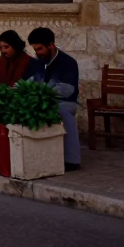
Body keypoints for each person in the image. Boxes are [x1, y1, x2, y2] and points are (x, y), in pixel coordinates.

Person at [28, 27, 82, 171]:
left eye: (40, 49)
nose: (37, 53)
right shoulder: (38, 61)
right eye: (35, 49)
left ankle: (72, 160)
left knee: (62, 110)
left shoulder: (68, 62)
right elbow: (32, 80)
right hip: (43, 99)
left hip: (65, 101)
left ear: (50, 45)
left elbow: (66, 89)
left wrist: (43, 94)